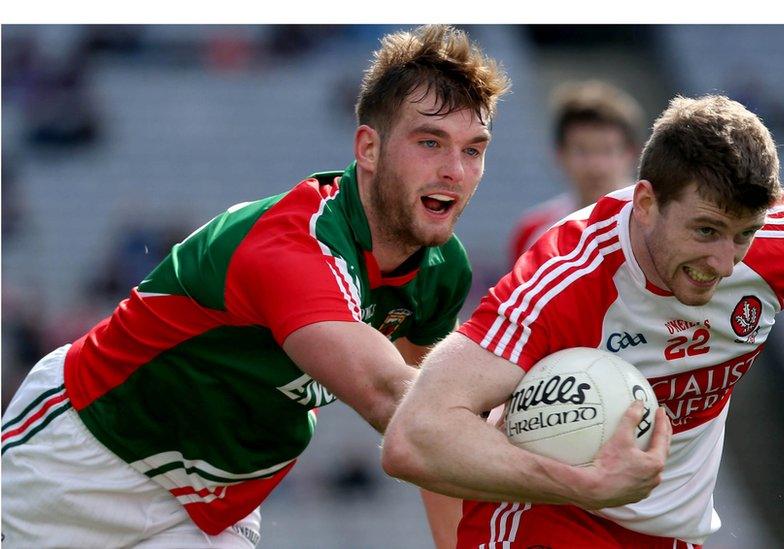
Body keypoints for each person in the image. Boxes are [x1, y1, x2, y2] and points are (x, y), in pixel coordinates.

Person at [0, 24, 509, 548]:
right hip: (86, 457)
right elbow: (393, 399)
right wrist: (556, 463)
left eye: (473, 150)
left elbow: (424, 426)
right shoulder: (295, 248)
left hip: (213, 503)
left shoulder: (441, 271)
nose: (454, 170)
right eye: (430, 142)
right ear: (369, 148)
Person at [383, 94, 784, 548]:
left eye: (744, 235)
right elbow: (413, 437)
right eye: (705, 230)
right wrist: (584, 484)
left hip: (673, 534)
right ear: (645, 203)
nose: (725, 264)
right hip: (550, 519)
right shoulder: (563, 281)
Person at [508, 80, 644, 266]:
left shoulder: (654, 224)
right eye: (582, 151)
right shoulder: (532, 231)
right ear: (559, 154)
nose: (595, 165)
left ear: (631, 154)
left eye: (607, 150)